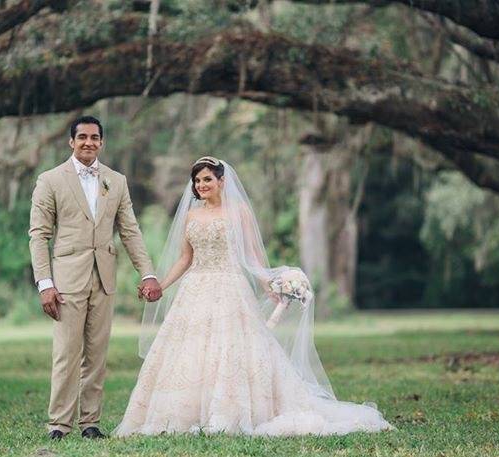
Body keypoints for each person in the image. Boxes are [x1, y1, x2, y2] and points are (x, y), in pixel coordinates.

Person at [114, 156, 393, 436]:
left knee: (233, 350)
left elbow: (252, 254)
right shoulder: (191, 215)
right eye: (197, 181)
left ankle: (232, 411)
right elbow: (185, 258)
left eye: (208, 179)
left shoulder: (239, 211)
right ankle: (184, 415)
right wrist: (161, 285)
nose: (201, 185)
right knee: (190, 354)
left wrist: (269, 285)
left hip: (230, 288)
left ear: (222, 181)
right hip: (195, 289)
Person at [29, 115, 162, 440]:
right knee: (66, 353)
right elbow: (39, 234)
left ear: (102, 142)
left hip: (104, 278)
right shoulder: (51, 180)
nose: (89, 142)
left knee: (97, 354)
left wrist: (147, 273)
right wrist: (45, 283)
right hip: (65, 281)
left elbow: (130, 231)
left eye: (95, 138)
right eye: (83, 137)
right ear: (71, 142)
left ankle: (90, 423)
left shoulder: (116, 181)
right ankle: (59, 425)